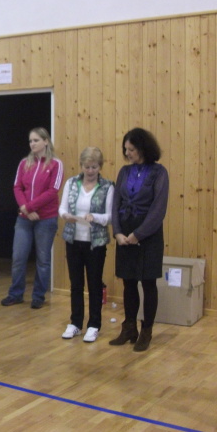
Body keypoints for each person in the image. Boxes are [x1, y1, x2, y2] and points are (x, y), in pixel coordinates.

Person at [110, 128, 168, 352]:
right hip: (125, 232)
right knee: (128, 282)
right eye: (125, 149)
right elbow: (115, 204)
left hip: (148, 234)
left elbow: (158, 209)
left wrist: (138, 234)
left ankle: (146, 331)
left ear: (143, 148)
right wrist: (117, 232)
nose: (127, 153)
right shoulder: (124, 172)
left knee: (148, 283)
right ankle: (129, 328)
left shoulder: (159, 172)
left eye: (131, 149)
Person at [0, 127, 63, 309]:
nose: (32, 144)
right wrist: (25, 209)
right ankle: (16, 294)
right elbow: (17, 187)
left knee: (43, 260)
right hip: (24, 218)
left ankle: (38, 296)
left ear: (46, 141)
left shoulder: (56, 164)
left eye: (36, 140)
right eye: (30, 141)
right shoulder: (24, 163)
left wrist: (30, 207)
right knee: (18, 257)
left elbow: (53, 191)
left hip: (46, 219)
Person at [58, 147, 114, 342]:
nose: (90, 171)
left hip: (95, 243)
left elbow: (110, 216)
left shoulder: (107, 187)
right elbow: (62, 208)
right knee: (76, 284)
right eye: (87, 167)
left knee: (94, 284)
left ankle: (94, 324)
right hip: (74, 240)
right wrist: (66, 215)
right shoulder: (72, 183)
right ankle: (75, 323)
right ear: (81, 165)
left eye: (94, 167)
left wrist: (95, 217)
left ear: (100, 167)